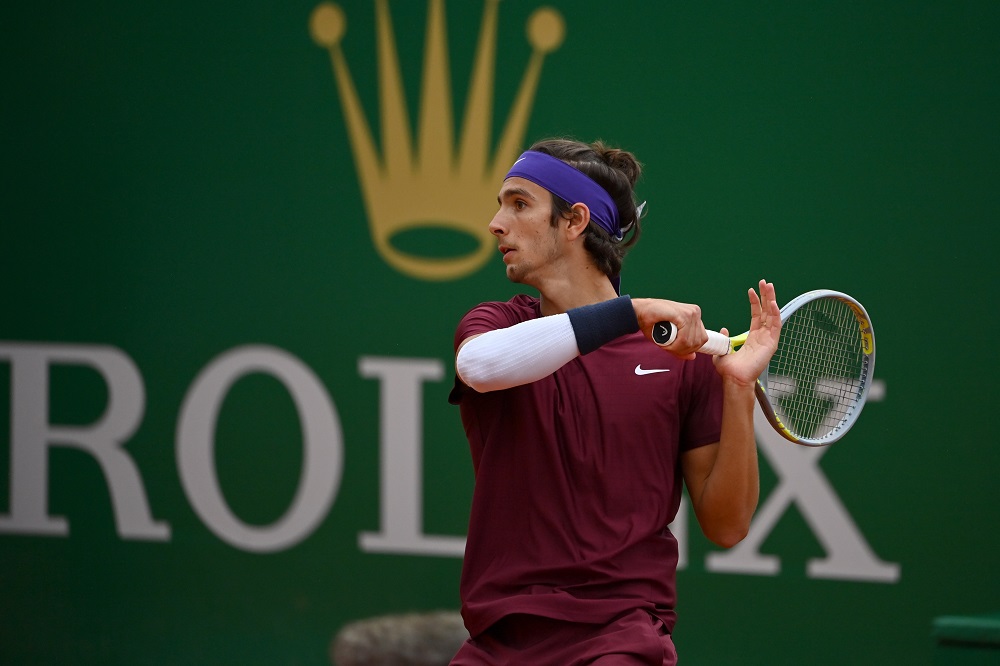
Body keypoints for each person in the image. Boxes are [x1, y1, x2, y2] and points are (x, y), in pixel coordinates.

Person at [447, 138, 781, 665]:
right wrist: (630, 313)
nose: (496, 223)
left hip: (616, 642)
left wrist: (737, 388)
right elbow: (480, 368)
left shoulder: (680, 363)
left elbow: (727, 525)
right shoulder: (497, 326)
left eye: (518, 203)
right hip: (499, 643)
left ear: (575, 220)